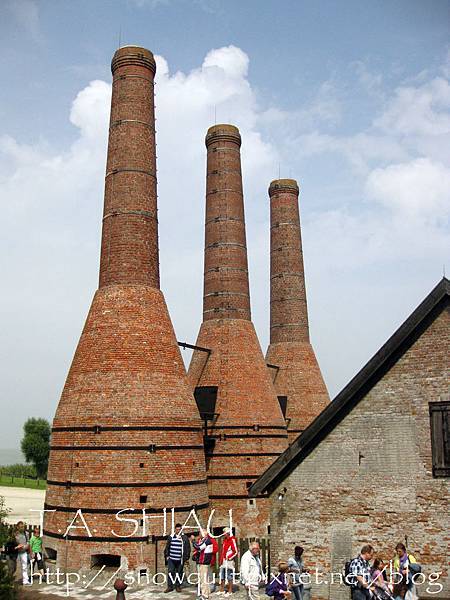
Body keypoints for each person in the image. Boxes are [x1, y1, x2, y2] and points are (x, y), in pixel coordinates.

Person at [164, 523, 191, 593]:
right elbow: (167, 547)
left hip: (180, 559)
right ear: (175, 530)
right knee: (170, 572)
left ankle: (178, 586)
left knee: (179, 573)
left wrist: (186, 558)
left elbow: (188, 548)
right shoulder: (171, 537)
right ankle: (169, 587)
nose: (178, 531)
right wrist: (167, 556)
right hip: (171, 559)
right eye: (177, 529)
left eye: (179, 529)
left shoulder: (184, 537)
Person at [193, 528, 214, 600]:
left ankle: (204, 595)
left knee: (203, 580)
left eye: (200, 533)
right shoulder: (206, 540)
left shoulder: (207, 541)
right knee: (205, 579)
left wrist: (193, 541)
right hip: (205, 562)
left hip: (204, 562)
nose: (199, 534)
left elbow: (198, 548)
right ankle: (207, 593)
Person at [217, 527, 238, 596]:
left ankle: (230, 590)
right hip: (223, 560)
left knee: (229, 576)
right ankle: (222, 589)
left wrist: (229, 557)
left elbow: (235, 551)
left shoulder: (232, 540)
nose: (223, 534)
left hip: (229, 561)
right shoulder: (225, 540)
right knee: (222, 575)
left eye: (224, 533)